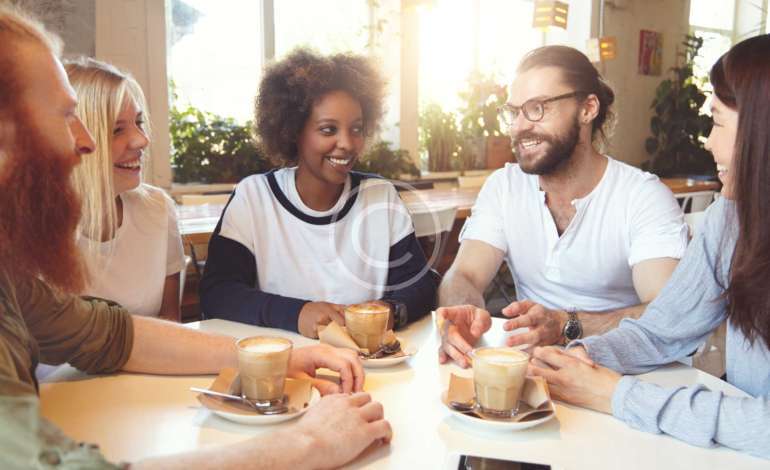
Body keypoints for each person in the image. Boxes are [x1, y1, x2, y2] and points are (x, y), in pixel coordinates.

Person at [0, 7, 390, 468]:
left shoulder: (11, 282)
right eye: (66, 115)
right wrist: (308, 446)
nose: (84, 142)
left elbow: (109, 334)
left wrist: (286, 358)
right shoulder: (254, 197)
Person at [528, 34, 770, 459]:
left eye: (716, 122)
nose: (708, 143)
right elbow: (662, 331)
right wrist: (583, 356)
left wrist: (616, 395)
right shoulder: (729, 224)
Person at [437, 45, 688, 367]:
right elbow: (464, 275)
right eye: (513, 112)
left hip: (625, 375)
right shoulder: (504, 187)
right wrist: (464, 311)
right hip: (535, 372)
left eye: (537, 108)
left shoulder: (642, 196)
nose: (518, 127)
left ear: (587, 109)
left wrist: (566, 325)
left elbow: (668, 313)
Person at [200, 48, 437, 338]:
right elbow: (218, 295)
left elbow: (422, 285)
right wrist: (298, 313)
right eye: (328, 130)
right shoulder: (255, 198)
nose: (347, 143)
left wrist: (390, 309)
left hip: (367, 368)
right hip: (287, 369)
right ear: (293, 131)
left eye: (356, 129)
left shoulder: (380, 196)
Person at [66, 57, 185, 322]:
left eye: (139, 123)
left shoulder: (157, 208)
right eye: (117, 129)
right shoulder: (28, 231)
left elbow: (170, 323)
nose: (141, 140)